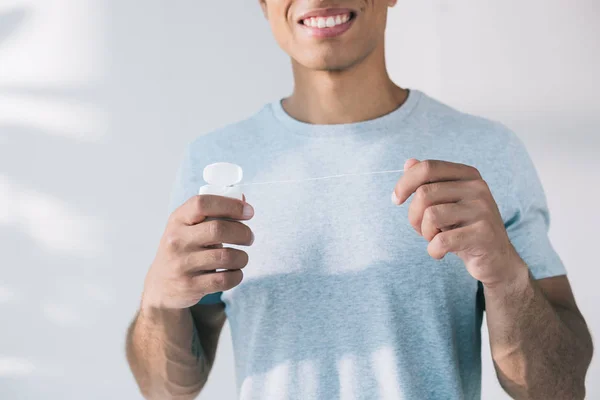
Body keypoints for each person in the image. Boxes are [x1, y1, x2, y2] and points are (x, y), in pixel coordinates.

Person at [125, 1, 593, 399]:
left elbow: (562, 385)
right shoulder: (215, 164)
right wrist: (158, 302)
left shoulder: (489, 152)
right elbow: (167, 389)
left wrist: (507, 276)